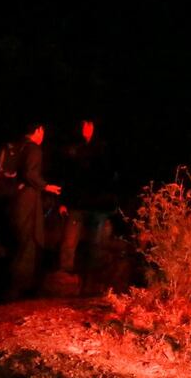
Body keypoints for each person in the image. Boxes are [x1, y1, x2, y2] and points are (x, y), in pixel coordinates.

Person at [8, 122, 62, 299]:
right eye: (43, 131)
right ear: (38, 130)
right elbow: (31, 174)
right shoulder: (34, 149)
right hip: (27, 201)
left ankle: (15, 285)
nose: (43, 135)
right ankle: (21, 289)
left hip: (15, 199)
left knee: (20, 241)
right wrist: (46, 186)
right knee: (30, 241)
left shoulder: (17, 146)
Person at [56, 119, 117, 274]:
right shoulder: (73, 149)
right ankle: (65, 274)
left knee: (96, 243)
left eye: (89, 125)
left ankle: (93, 277)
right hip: (77, 203)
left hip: (97, 204)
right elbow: (67, 177)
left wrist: (110, 202)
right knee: (69, 242)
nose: (86, 129)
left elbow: (109, 176)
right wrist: (63, 202)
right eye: (83, 125)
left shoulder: (103, 149)